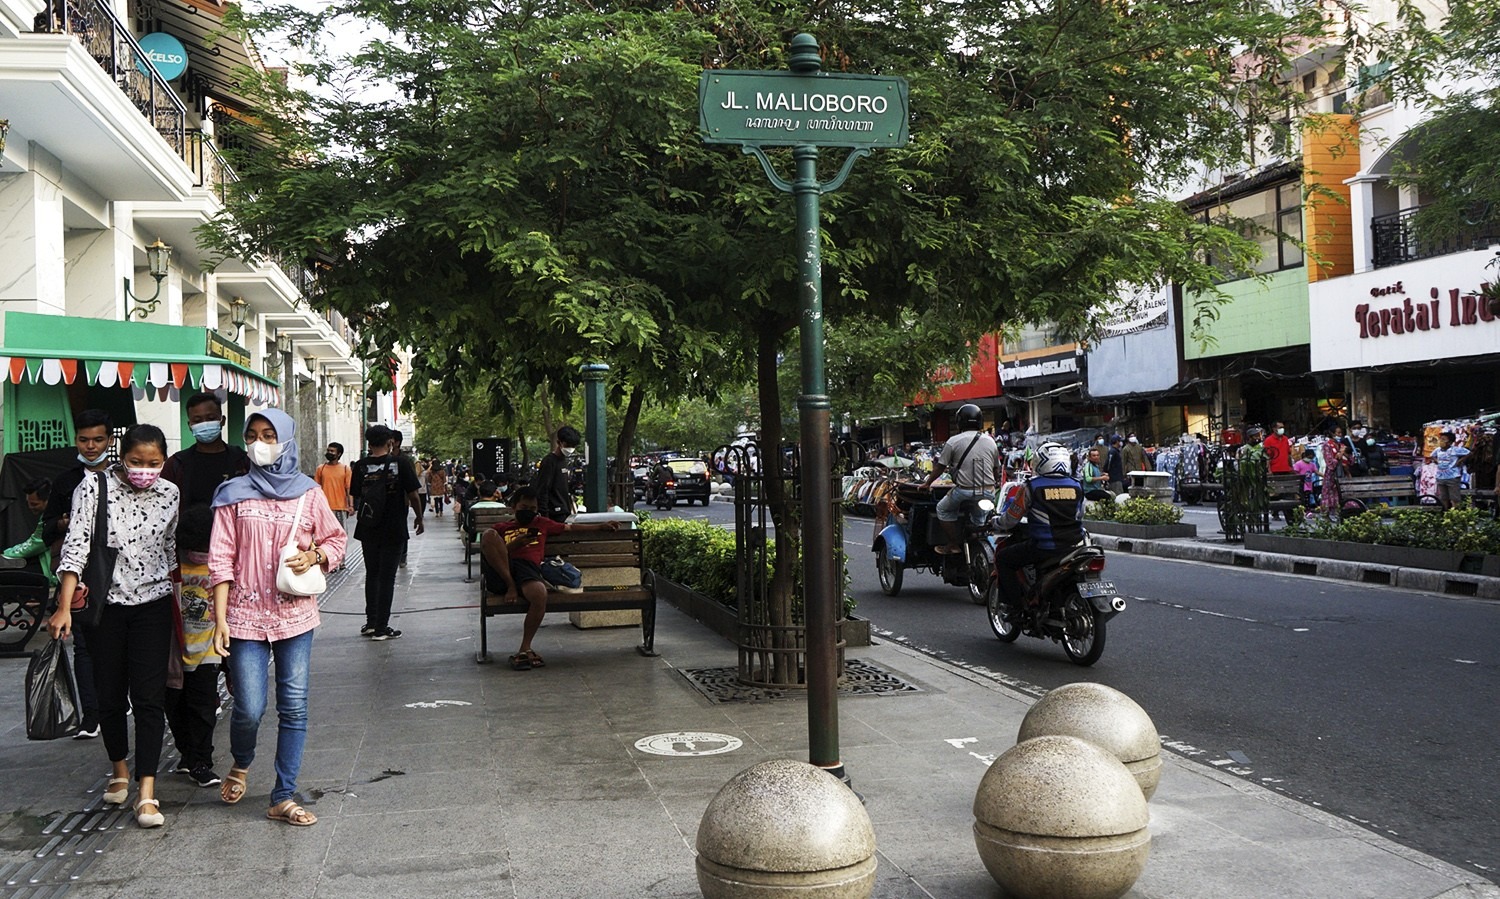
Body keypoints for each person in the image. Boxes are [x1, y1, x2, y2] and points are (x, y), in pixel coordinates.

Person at [208, 409, 345, 827]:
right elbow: (220, 560)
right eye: (252, 435)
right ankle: (242, 761)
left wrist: (316, 555)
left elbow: (336, 539)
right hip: (244, 615)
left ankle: (283, 795)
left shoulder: (309, 493)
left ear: (285, 440)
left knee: (295, 707)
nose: (259, 442)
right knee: (248, 707)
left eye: (269, 434)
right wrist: (219, 620)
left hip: (295, 616)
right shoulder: (233, 493)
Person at [47, 424, 179, 828]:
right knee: (109, 693)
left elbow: (170, 548)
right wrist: (64, 606)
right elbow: (76, 547)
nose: (145, 470)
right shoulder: (93, 487)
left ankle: (147, 792)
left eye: (154, 463)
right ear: (123, 457)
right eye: (137, 462)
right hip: (106, 606)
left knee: (149, 697)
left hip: (153, 606)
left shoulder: (170, 494)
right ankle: (119, 768)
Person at [161, 391, 249, 789]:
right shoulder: (177, 465)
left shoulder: (239, 461)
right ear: (188, 422)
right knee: (176, 684)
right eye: (196, 418)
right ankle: (189, 754)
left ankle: (201, 756)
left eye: (209, 416)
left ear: (221, 418)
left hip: (232, 573)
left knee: (205, 680)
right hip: (181, 575)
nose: (203, 423)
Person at [478, 486, 618, 670]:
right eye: (523, 508)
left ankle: (525, 647)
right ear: (513, 507)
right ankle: (511, 585)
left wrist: (601, 527)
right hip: (503, 570)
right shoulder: (502, 528)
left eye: (532, 509)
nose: (528, 513)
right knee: (488, 535)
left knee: (539, 594)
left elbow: (570, 527)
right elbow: (493, 554)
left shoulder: (542, 523)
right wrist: (514, 545)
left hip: (528, 569)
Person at [41, 408, 116, 740]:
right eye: (84, 440)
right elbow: (45, 530)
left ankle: (114, 700)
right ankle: (92, 715)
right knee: (83, 646)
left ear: (109, 440)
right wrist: (63, 524)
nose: (90, 446)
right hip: (79, 578)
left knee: (114, 646)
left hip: (118, 579)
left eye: (97, 439)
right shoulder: (66, 481)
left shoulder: (122, 477)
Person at [349, 425, 423, 639]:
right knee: (387, 577)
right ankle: (382, 627)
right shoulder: (401, 463)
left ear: (368, 443)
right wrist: (418, 517)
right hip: (394, 526)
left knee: (372, 574)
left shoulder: (361, 466)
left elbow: (356, 495)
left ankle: (371, 622)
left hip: (368, 527)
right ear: (390, 441)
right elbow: (414, 495)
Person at [993, 443, 1086, 609]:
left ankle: (1015, 607)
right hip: (1075, 546)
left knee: (1003, 558)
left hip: (1044, 547)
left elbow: (1011, 519)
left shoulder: (1031, 486)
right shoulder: (1077, 485)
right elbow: (1080, 514)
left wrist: (996, 522)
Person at [920, 404, 1001, 553]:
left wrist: (927, 483)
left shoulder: (953, 441)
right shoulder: (991, 441)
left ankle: (953, 544)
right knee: (981, 520)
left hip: (964, 492)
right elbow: (996, 469)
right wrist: (994, 485)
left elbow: (940, 467)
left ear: (959, 422)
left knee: (942, 509)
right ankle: (976, 541)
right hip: (988, 492)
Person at [4, 479, 58, 586]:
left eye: (34, 504)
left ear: (48, 500)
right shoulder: (48, 515)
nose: (30, 507)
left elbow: (35, 544)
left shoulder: (52, 519)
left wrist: (6, 554)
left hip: (51, 572)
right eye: (28, 503)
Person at [535, 426, 581, 522]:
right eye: (567, 445)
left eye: (573, 446)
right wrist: (544, 516)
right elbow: (543, 489)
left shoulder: (564, 461)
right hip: (553, 514)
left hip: (564, 512)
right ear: (559, 442)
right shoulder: (549, 461)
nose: (570, 449)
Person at [1430, 431, 1471, 510]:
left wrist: (1460, 461)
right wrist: (1436, 461)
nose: (1441, 441)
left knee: (1455, 498)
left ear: (1450, 442)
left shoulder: (1455, 450)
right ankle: (1445, 512)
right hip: (1440, 477)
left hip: (1453, 476)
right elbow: (1432, 455)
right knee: (1443, 497)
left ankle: (1456, 514)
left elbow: (1469, 453)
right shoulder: (1438, 450)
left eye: (1443, 439)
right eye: (1440, 439)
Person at [314, 442, 353, 524]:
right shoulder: (320, 469)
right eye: (328, 450)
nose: (329, 453)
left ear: (339, 454)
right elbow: (316, 489)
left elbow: (349, 488)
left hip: (340, 508)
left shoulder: (346, 469)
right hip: (324, 507)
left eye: (332, 451)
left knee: (340, 534)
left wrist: (351, 506)